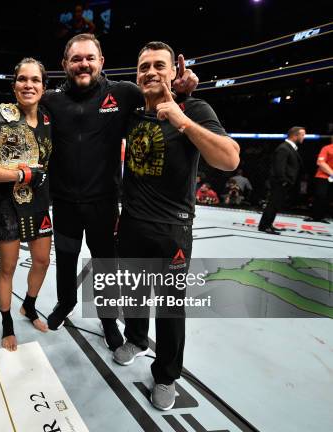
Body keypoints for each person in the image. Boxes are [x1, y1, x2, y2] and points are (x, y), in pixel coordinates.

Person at [42, 33, 198, 351]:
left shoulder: (124, 93)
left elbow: (161, 99)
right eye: (76, 59)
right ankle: (65, 303)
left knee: (106, 266)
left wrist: (182, 92)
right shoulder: (51, 100)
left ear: (101, 61)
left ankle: (109, 320)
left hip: (104, 204)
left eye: (89, 58)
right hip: (65, 203)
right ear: (65, 64)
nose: (83, 64)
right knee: (67, 258)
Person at [114, 41, 239, 411]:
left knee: (170, 307)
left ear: (173, 72)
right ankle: (135, 339)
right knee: (133, 291)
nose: (151, 72)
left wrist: (183, 120)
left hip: (173, 228)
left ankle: (166, 374)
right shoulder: (132, 111)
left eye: (158, 66)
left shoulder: (195, 108)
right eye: (144, 67)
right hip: (132, 222)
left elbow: (229, 158)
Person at [0, 58, 52, 351]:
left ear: (44, 87)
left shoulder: (47, 118)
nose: (28, 85)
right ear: (14, 84)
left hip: (40, 202)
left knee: (42, 261)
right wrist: (18, 174)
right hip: (6, 204)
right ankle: (7, 325)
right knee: (7, 268)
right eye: (22, 79)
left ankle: (28, 307)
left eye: (35, 80)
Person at [258, 126, 305, 234]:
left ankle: (268, 224)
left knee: (276, 204)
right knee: (273, 204)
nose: (304, 137)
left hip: (283, 182)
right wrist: (284, 181)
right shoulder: (284, 148)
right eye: (302, 135)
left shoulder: (289, 148)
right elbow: (279, 167)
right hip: (279, 182)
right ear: (295, 135)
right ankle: (264, 226)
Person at [305, 142, 333, 223]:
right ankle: (314, 216)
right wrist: (332, 173)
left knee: (329, 197)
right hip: (323, 176)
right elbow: (320, 162)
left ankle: (322, 216)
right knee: (320, 195)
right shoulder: (327, 148)